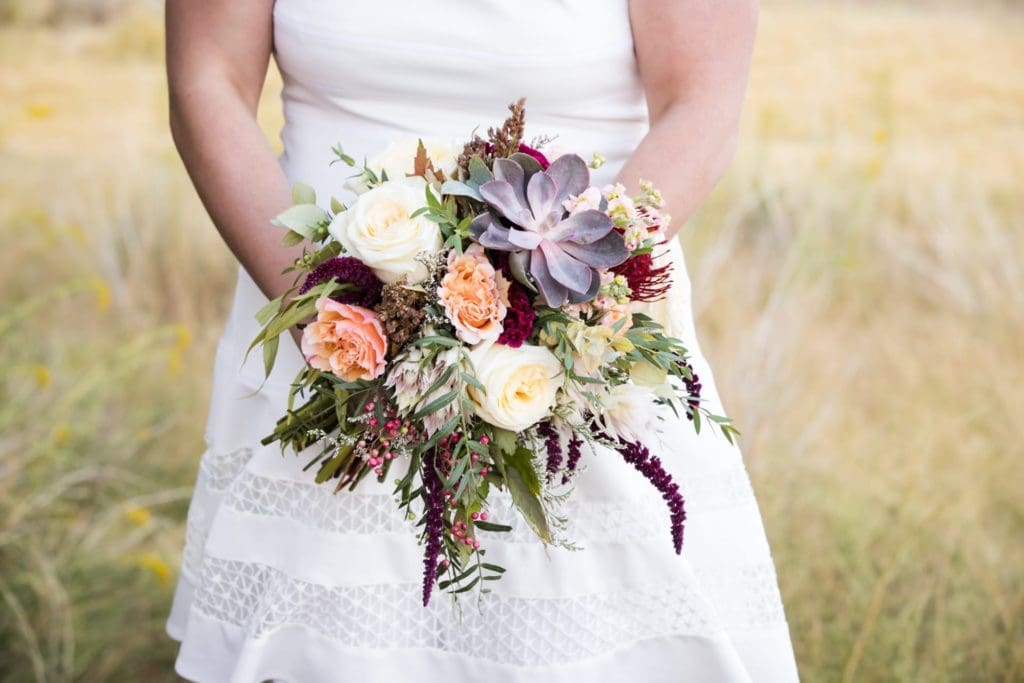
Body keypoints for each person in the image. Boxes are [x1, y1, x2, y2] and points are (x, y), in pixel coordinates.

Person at [164, 1, 799, 680]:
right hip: (322, 342)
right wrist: (334, 312)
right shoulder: (324, 320)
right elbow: (207, 80)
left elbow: (700, 102)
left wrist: (555, 303)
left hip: (581, 346)